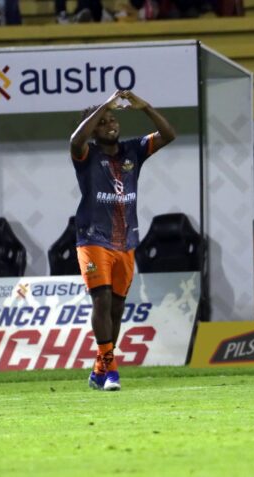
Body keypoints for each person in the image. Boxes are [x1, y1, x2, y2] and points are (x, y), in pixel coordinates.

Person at [70, 90, 176, 391]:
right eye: (102, 122)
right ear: (93, 128)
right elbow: (75, 140)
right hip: (92, 238)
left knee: (116, 309)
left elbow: (168, 134)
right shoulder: (86, 154)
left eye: (112, 119)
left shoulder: (134, 151)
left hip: (126, 241)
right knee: (101, 301)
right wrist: (103, 104)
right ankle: (112, 370)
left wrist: (145, 106)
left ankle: (98, 369)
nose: (110, 125)